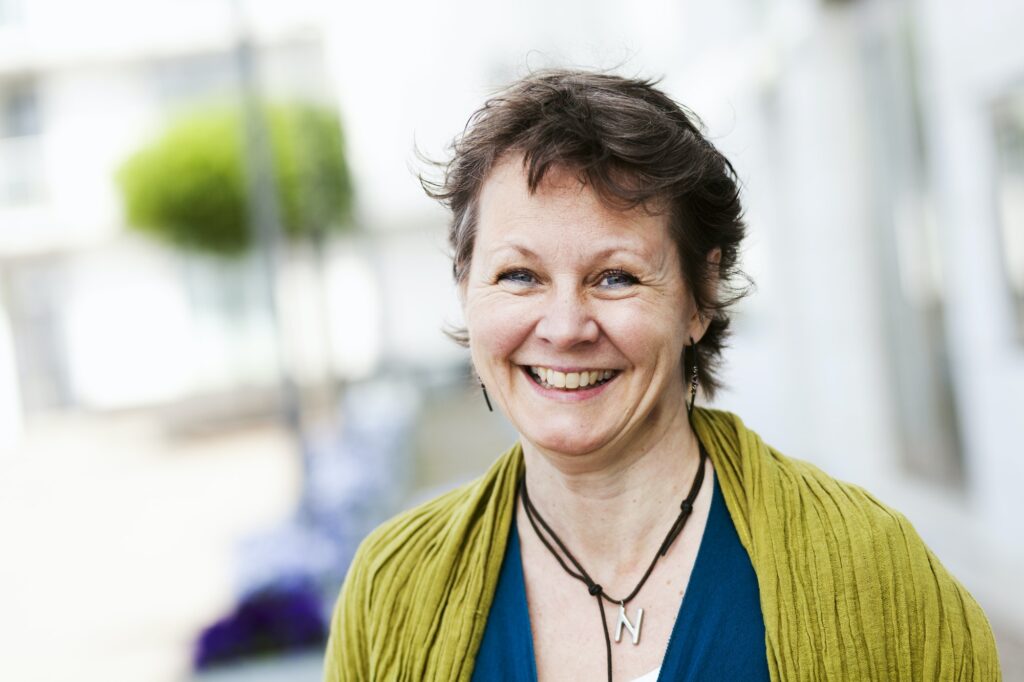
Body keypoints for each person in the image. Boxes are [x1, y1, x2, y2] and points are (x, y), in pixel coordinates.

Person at [323, 70, 1000, 681]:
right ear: (466, 288)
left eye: (615, 277)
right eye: (519, 275)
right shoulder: (391, 588)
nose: (564, 327)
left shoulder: (872, 569)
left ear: (699, 297)